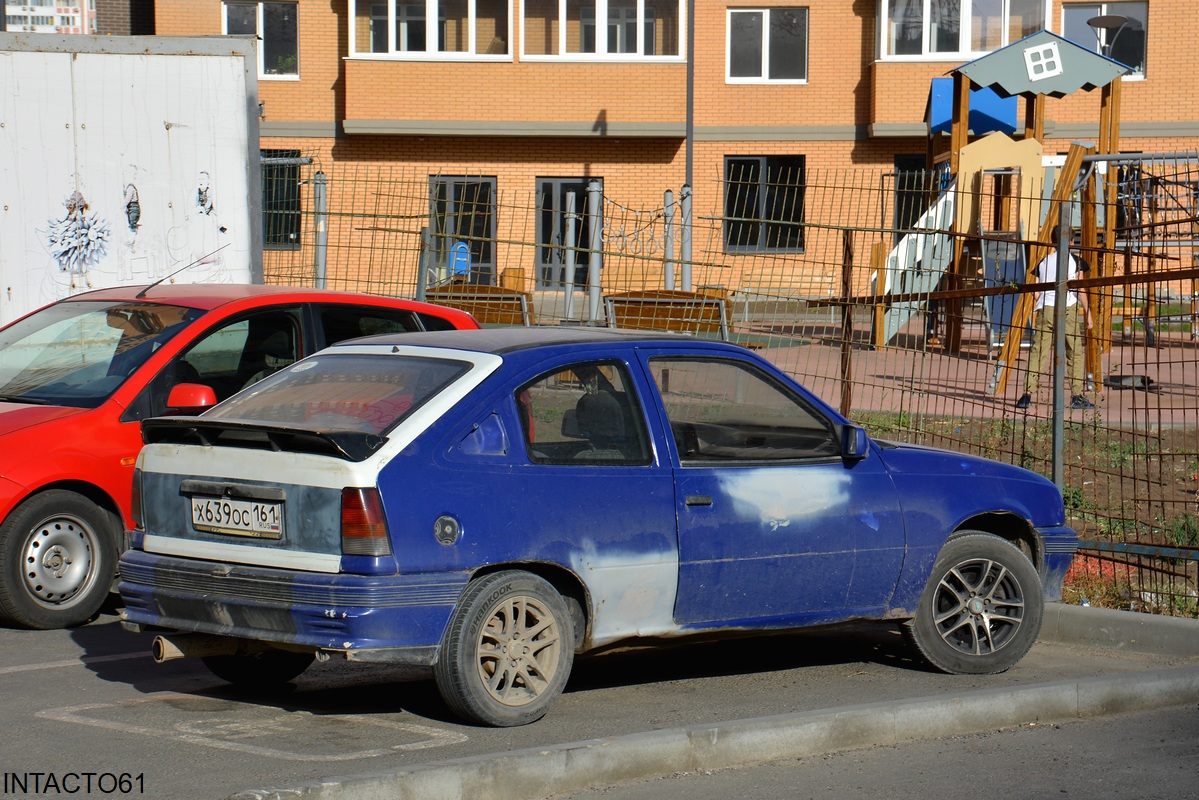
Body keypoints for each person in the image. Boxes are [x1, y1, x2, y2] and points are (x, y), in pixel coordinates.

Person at [1015, 226, 1094, 410]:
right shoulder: (1076, 262)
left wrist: (1044, 298)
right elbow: (1080, 289)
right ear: (1072, 242)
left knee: (1039, 351)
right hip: (1067, 309)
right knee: (1073, 352)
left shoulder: (1043, 262)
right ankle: (1076, 395)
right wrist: (1088, 312)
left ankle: (1026, 395)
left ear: (1052, 242)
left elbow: (1036, 290)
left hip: (1046, 309)